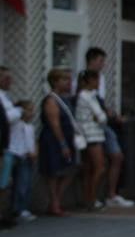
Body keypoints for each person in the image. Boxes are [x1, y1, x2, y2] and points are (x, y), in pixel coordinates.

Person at [84, 47, 134, 208]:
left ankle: (109, 195)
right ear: (91, 60)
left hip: (102, 123)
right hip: (91, 127)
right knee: (95, 165)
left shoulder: (101, 79)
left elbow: (100, 102)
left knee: (115, 157)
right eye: (101, 61)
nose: (103, 65)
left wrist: (109, 113)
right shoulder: (82, 81)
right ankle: (91, 198)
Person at [37, 68, 79, 217]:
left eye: (69, 79)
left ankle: (55, 201)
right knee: (54, 172)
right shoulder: (51, 100)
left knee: (70, 170)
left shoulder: (66, 99)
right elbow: (55, 124)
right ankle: (55, 203)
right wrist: (63, 144)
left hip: (67, 138)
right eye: (64, 79)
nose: (68, 82)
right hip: (54, 141)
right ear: (55, 82)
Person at [74, 69, 109, 211]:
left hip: (86, 134)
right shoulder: (86, 96)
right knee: (99, 167)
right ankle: (92, 199)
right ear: (90, 81)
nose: (98, 83)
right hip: (92, 135)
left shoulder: (86, 95)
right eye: (96, 80)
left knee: (88, 169)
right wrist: (102, 117)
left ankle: (87, 198)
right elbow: (101, 117)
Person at [7, 100, 37, 222]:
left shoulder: (30, 126)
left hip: (29, 158)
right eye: (28, 110)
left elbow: (32, 142)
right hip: (20, 156)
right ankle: (18, 209)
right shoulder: (16, 124)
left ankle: (23, 207)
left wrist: (34, 152)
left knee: (28, 184)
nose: (31, 113)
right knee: (21, 184)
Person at [0, 66, 18, 228]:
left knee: (5, 183)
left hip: (7, 146)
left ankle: (4, 214)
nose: (9, 81)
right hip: (2, 147)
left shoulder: (5, 97)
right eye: (5, 78)